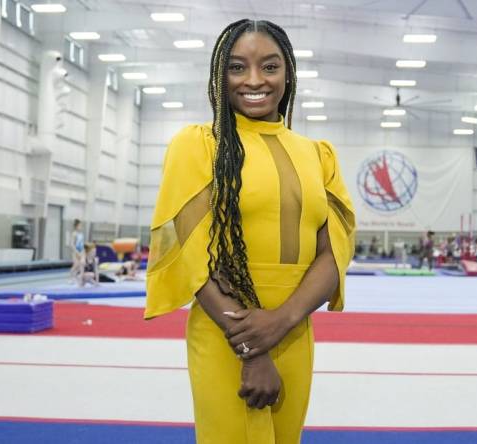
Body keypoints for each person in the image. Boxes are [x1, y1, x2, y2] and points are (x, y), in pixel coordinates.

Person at [144, 19, 355, 444]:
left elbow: (334, 251)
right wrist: (252, 348)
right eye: (238, 67)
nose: (254, 80)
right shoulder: (199, 145)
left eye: (270, 67)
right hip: (228, 333)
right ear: (220, 76)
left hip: (294, 331)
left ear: (289, 73)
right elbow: (191, 256)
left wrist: (282, 320)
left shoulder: (318, 156)